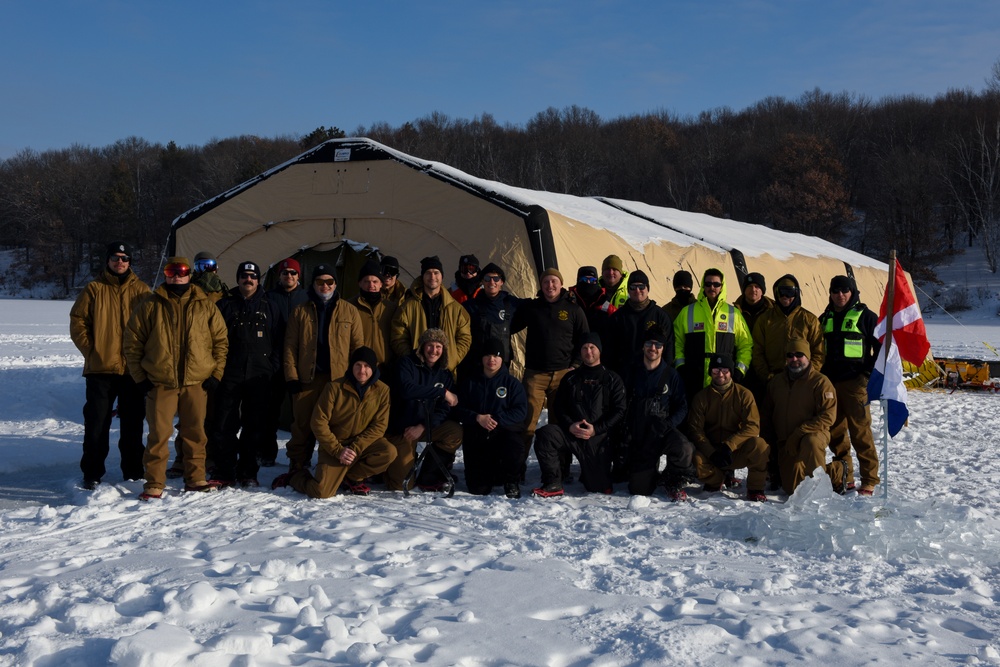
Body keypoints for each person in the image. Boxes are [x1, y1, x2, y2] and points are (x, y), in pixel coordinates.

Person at [124, 256, 228, 499]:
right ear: (166, 274)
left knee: (195, 433)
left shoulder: (205, 305)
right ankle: (154, 483)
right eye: (171, 271)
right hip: (161, 381)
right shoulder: (151, 305)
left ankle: (195, 478)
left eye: (181, 271)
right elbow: (132, 343)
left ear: (189, 274)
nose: (176, 276)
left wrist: (216, 373)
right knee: (159, 435)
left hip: (195, 382)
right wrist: (140, 378)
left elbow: (221, 342)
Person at [69, 241, 151, 489]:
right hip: (100, 371)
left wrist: (145, 358)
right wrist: (92, 351)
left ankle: (134, 473)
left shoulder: (143, 291)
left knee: (133, 427)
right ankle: (92, 473)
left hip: (132, 371)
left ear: (130, 262)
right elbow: (78, 321)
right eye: (115, 257)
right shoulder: (94, 289)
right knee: (96, 425)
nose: (120, 262)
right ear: (108, 260)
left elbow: (154, 327)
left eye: (125, 258)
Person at [277, 264, 364, 481]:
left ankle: (334, 465)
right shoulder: (301, 311)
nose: (325, 286)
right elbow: (290, 347)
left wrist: (356, 378)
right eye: (320, 282)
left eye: (329, 282)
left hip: (338, 379)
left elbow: (357, 348)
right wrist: (292, 377)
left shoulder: (349, 311)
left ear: (335, 284)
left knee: (337, 425)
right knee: (302, 425)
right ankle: (298, 464)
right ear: (313, 284)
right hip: (308, 378)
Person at [276, 347, 396, 498]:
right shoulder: (334, 387)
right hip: (335, 446)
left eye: (367, 366)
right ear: (351, 366)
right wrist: (338, 450)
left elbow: (379, 426)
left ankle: (352, 477)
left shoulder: (383, 391)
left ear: (373, 368)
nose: (362, 370)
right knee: (321, 492)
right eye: (358, 365)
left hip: (361, 445)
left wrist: (355, 448)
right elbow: (318, 422)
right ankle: (294, 478)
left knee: (388, 452)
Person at [510, 268, 589, 474]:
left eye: (554, 281)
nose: (550, 286)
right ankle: (517, 467)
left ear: (561, 284)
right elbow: (509, 327)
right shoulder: (533, 308)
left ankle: (560, 469)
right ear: (541, 285)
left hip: (563, 373)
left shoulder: (573, 309)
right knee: (527, 422)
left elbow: (584, 338)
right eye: (546, 282)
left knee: (559, 423)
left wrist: (576, 365)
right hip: (535, 374)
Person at [210, 261, 282, 487]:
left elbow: (280, 341)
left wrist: (273, 367)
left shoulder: (270, 306)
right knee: (224, 424)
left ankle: (248, 471)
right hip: (230, 374)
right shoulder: (224, 305)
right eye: (244, 276)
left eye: (252, 276)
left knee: (254, 426)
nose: (248, 280)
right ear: (238, 278)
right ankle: (224, 470)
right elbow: (211, 340)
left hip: (259, 376)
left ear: (258, 280)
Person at [532, 333, 626, 497]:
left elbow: (619, 410)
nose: (588, 351)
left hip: (598, 437)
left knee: (597, 487)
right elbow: (559, 407)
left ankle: (591, 472)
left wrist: (596, 429)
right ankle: (553, 482)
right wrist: (570, 425)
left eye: (592, 347)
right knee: (546, 434)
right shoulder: (570, 378)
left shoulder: (612, 379)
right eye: (584, 348)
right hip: (573, 434)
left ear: (599, 351)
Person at [819, 275, 882, 496]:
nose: (840, 295)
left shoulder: (866, 317)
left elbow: (882, 348)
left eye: (844, 291)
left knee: (860, 432)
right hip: (830, 385)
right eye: (836, 291)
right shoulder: (824, 317)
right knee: (836, 433)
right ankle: (846, 476)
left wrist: (867, 374)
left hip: (856, 383)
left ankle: (869, 479)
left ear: (852, 291)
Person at [384, 328, 464, 491]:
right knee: (401, 485)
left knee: (454, 431)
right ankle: (385, 470)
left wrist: (424, 426)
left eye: (438, 347)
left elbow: (444, 409)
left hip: (424, 427)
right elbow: (407, 390)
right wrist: (441, 392)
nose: (434, 351)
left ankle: (430, 475)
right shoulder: (406, 363)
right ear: (422, 346)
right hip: (402, 430)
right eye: (430, 345)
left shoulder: (444, 373)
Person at [621, 328, 694, 500]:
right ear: (643, 347)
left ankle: (672, 479)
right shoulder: (632, 372)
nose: (653, 348)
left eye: (657, 345)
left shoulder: (672, 375)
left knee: (684, 448)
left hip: (662, 431)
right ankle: (650, 474)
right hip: (639, 435)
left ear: (663, 348)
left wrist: (668, 424)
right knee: (640, 489)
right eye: (649, 344)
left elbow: (682, 406)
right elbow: (620, 404)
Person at [687, 354, 770, 502]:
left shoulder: (744, 394)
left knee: (760, 446)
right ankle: (716, 479)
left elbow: (752, 426)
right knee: (696, 459)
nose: (720, 374)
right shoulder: (701, 397)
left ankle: (755, 488)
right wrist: (711, 453)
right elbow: (695, 430)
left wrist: (730, 445)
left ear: (731, 372)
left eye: (725, 370)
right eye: (716, 370)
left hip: (734, 451)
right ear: (710, 372)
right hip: (712, 452)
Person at [453, 338, 528, 498]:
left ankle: (511, 481)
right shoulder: (470, 383)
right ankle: (486, 475)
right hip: (477, 436)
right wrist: (477, 418)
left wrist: (497, 419)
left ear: (502, 359)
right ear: (482, 358)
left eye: (496, 355)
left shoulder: (512, 384)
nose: (491, 359)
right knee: (478, 489)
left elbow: (521, 410)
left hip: (503, 433)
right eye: (487, 355)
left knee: (515, 445)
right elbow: (458, 409)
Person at [761, 339, 837, 495]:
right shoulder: (776, 383)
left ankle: (830, 478)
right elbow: (767, 416)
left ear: (807, 357)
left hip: (812, 435)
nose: (794, 359)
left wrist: (799, 433)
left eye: (799, 355)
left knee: (811, 442)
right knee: (791, 489)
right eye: (790, 355)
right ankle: (821, 472)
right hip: (786, 442)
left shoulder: (820, 382)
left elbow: (828, 416)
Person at [674, 268, 752, 402]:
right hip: (693, 379)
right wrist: (681, 367)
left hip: (724, 381)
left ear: (722, 287)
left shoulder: (733, 314)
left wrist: (739, 371)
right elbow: (677, 342)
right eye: (708, 284)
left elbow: (745, 345)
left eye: (716, 284)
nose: (712, 287)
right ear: (703, 286)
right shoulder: (687, 312)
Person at [390, 255, 472, 376]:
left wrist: (452, 359)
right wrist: (412, 357)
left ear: (442, 276)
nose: (432, 277)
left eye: (436, 272)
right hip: (416, 371)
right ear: (422, 276)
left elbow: (465, 338)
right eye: (428, 273)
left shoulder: (456, 308)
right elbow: (398, 336)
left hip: (446, 372)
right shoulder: (408, 306)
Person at [262, 257, 309, 467]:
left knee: (301, 413)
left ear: (298, 276)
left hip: (300, 364)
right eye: (285, 272)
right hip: (275, 363)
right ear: (279, 275)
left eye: (293, 272)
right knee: (270, 412)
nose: (288, 276)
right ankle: (266, 453)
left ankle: (302, 455)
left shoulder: (307, 298)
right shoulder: (269, 297)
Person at [751, 274, 824, 384]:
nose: (785, 296)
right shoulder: (765, 319)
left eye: (789, 292)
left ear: (796, 293)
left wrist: (808, 375)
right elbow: (757, 350)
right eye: (781, 292)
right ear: (776, 293)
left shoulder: (809, 319)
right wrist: (766, 376)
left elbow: (818, 352)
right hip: (773, 380)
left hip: (803, 380)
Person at [602, 269, 674, 378]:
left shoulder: (660, 316)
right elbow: (609, 350)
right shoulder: (618, 317)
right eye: (633, 287)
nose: (637, 290)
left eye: (641, 287)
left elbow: (668, 348)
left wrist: (664, 375)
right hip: (623, 377)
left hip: (652, 376)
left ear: (647, 289)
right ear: (628, 290)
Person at [461, 262, 520, 379]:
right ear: (482, 281)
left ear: (502, 282)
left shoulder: (511, 304)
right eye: (487, 278)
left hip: (502, 366)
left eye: (496, 279)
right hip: (476, 366)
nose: (492, 282)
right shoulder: (470, 306)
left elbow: (536, 307)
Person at [351, 259, 398, 373]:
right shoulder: (350, 307)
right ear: (360, 283)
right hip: (360, 369)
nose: (371, 285)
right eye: (366, 281)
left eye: (375, 281)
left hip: (385, 367)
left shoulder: (391, 308)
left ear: (381, 284)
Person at [568, 266, 616, 339]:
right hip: (574, 346)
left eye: (591, 279)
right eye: (584, 279)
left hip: (599, 347)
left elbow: (620, 320)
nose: (588, 282)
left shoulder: (603, 302)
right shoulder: (569, 300)